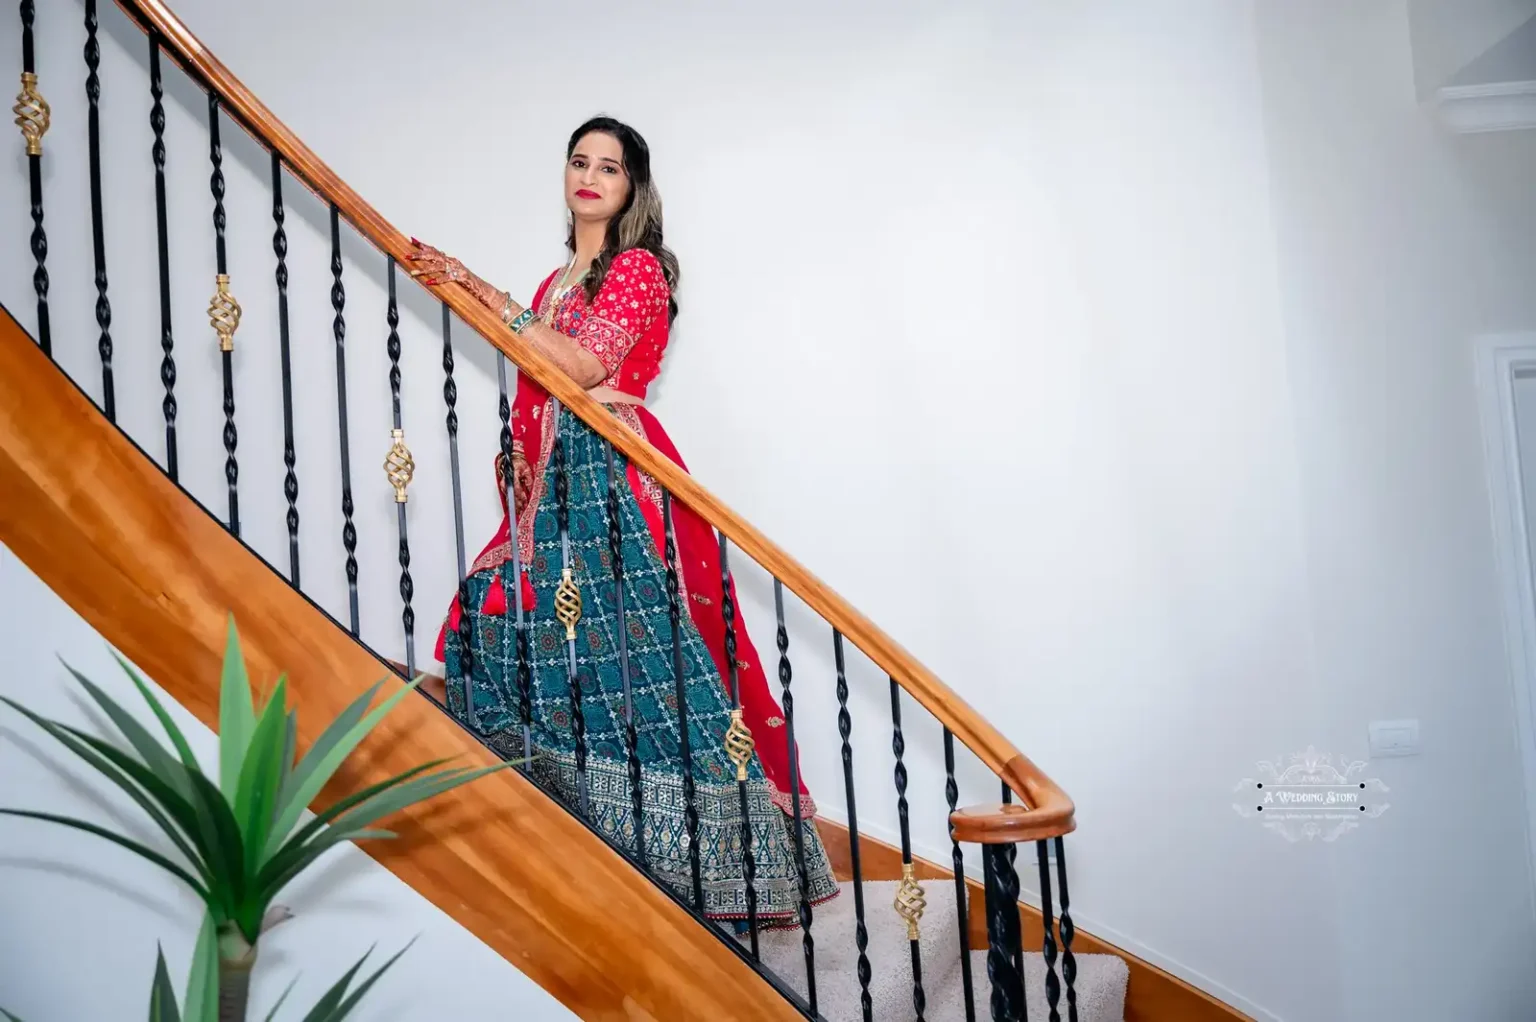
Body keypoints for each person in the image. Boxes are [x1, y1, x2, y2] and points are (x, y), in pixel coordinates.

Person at [408, 115, 839, 930]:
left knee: (648, 667)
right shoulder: (553, 285)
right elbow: (542, 371)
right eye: (579, 161)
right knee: (513, 637)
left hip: (615, 480)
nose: (591, 176)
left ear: (632, 188)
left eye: (610, 167)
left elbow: (580, 367)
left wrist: (476, 286)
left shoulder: (637, 269)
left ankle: (719, 866)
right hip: (552, 483)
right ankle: (601, 837)